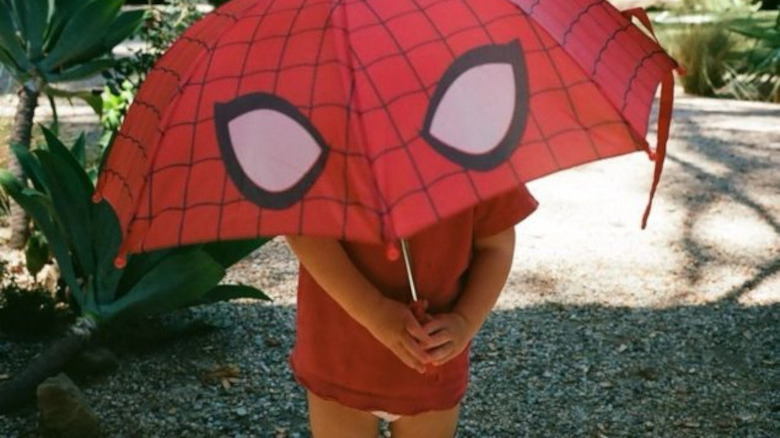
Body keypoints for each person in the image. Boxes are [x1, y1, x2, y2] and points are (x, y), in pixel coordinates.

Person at [286, 185, 538, 437]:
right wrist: (374, 310)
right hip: (339, 354)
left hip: (434, 359)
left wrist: (465, 321)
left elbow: (496, 247)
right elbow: (302, 232)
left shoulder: (477, 154)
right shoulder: (330, 152)